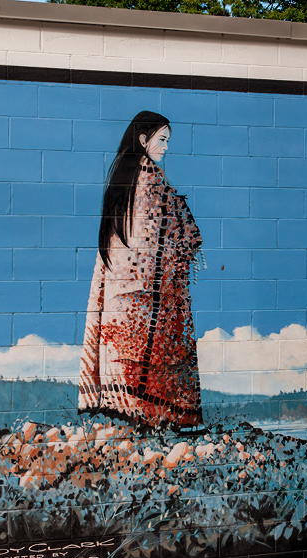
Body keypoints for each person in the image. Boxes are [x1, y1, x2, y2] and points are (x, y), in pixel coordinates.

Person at [79, 111, 204, 432]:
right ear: (143, 140)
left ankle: (124, 416)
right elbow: (161, 244)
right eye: (161, 140)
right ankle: (157, 418)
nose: (165, 147)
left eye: (167, 141)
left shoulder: (123, 186)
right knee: (147, 366)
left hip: (119, 301)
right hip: (145, 301)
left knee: (125, 371)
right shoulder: (150, 185)